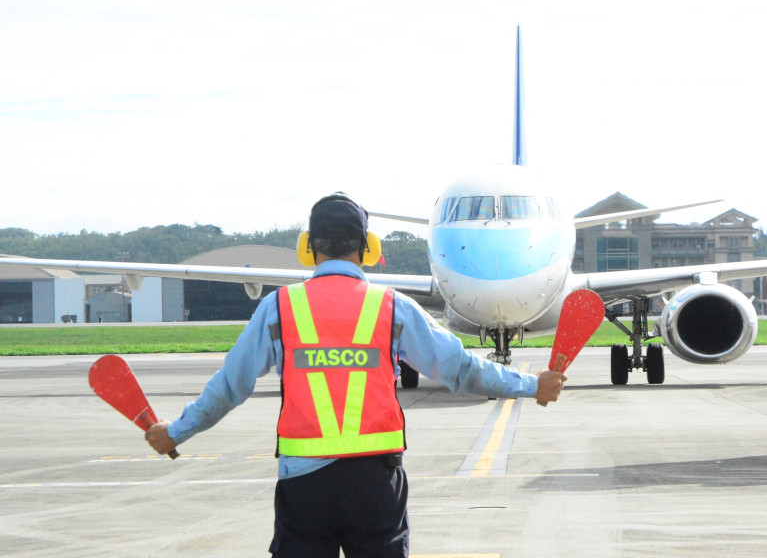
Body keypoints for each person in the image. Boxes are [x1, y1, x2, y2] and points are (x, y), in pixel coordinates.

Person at [144, 192, 567, 557]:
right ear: (368, 248)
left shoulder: (279, 308)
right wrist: (531, 384)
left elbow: (229, 388)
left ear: (307, 248)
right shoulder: (392, 306)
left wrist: (176, 431)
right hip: (374, 485)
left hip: (303, 487)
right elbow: (460, 369)